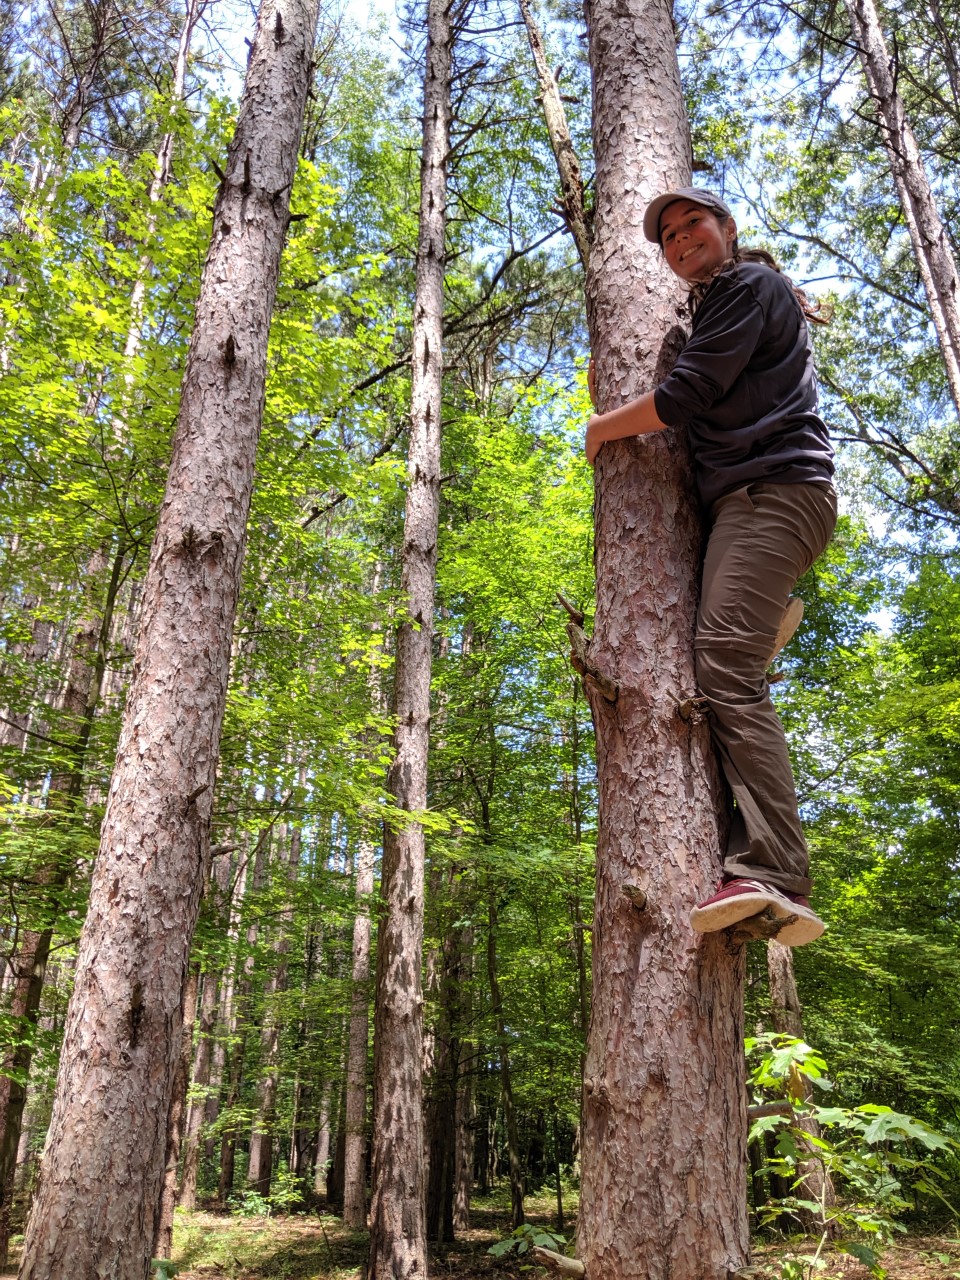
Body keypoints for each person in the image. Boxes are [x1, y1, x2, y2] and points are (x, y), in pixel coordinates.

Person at [585, 187, 836, 946]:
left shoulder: (747, 286)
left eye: (693, 222)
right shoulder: (733, 299)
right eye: (667, 235)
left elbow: (686, 396)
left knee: (725, 665)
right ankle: (753, 630)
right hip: (749, 502)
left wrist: (603, 427)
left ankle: (773, 871)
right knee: (724, 655)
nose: (681, 238)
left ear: (726, 229)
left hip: (773, 491)